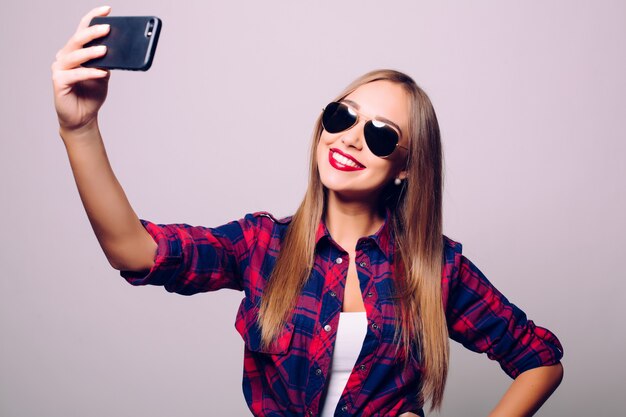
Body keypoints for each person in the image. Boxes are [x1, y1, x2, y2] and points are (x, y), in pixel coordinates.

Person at [52, 6, 564, 417]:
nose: (351, 137)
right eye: (343, 115)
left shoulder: (436, 268)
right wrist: (80, 129)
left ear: (405, 167)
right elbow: (135, 252)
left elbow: (540, 360)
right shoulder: (261, 245)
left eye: (382, 135)